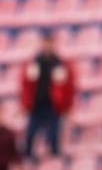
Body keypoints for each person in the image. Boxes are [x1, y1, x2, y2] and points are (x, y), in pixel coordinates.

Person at [20, 32, 76, 160]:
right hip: (36, 104)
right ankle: (28, 154)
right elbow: (25, 85)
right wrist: (25, 103)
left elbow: (69, 86)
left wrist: (67, 105)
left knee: (54, 133)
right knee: (31, 132)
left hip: (53, 105)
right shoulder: (33, 63)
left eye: (50, 42)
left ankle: (54, 156)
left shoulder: (60, 64)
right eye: (45, 42)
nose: (47, 45)